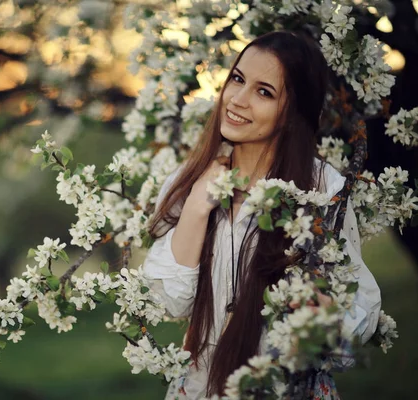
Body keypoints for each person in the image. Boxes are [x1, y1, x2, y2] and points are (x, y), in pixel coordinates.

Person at [143, 31, 381, 399]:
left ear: (292, 114)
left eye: (264, 92)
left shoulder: (322, 192)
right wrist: (195, 207)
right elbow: (168, 302)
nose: (237, 100)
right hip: (200, 389)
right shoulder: (190, 178)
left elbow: (355, 323)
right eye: (237, 79)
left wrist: (322, 316)